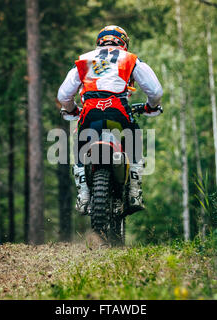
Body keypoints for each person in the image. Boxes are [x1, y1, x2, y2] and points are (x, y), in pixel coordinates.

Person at [57, 25, 163, 214]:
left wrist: (72, 110)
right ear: (124, 42)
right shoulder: (130, 59)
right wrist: (151, 106)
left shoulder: (83, 60)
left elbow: (64, 95)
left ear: (99, 42)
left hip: (90, 113)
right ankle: (134, 192)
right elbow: (155, 91)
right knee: (133, 138)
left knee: (80, 145)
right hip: (118, 110)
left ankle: (83, 196)